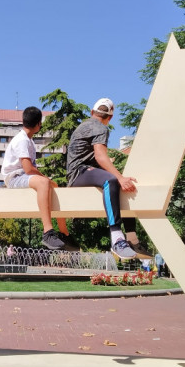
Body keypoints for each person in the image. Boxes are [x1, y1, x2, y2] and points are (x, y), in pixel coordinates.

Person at [66, 98, 138, 259]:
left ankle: (132, 239)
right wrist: (119, 176)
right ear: (110, 118)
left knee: (120, 185)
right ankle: (117, 238)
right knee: (112, 180)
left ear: (92, 112)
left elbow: (90, 156)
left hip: (79, 172)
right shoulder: (100, 128)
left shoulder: (83, 125)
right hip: (79, 173)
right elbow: (100, 156)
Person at [2, 106, 77, 251]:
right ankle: (47, 232)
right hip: (14, 178)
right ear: (38, 124)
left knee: (53, 186)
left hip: (23, 176)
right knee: (44, 182)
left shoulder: (27, 140)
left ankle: (64, 233)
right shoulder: (22, 140)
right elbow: (28, 169)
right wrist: (45, 179)